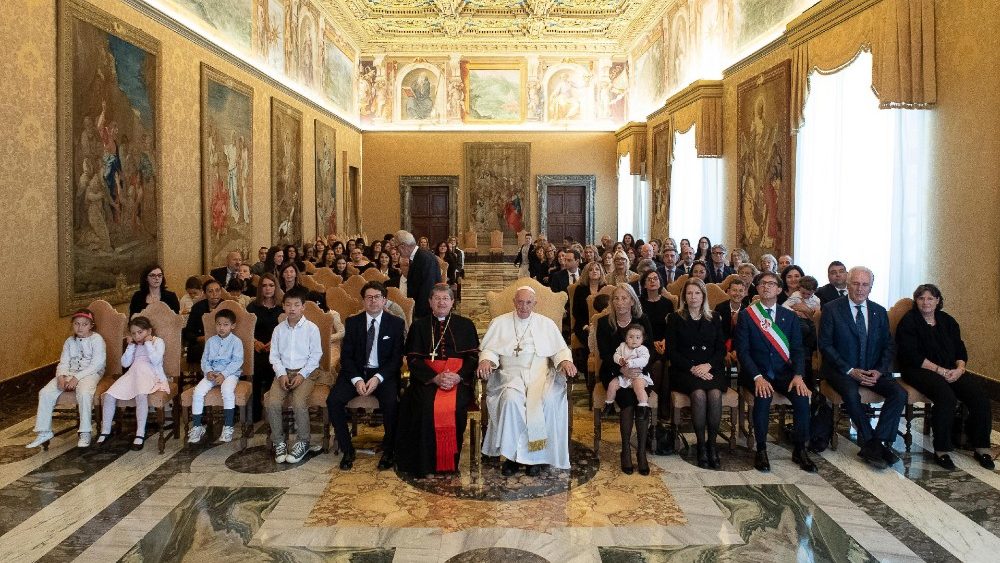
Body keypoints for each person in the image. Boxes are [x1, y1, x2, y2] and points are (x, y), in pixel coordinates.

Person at [477, 286, 577, 476]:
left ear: (535, 303)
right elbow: (489, 349)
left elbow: (560, 350)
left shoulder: (546, 324)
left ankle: (537, 458)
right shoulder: (499, 323)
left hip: (540, 374)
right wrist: (486, 360)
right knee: (510, 400)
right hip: (510, 375)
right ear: (514, 302)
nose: (524, 306)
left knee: (547, 400)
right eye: (520, 302)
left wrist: (565, 361)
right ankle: (512, 457)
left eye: (528, 302)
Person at [895, 284, 994, 469]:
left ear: (938, 300)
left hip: (950, 369)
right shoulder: (909, 321)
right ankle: (942, 450)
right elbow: (911, 355)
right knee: (946, 396)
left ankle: (982, 447)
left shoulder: (947, 321)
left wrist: (960, 369)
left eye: (930, 298)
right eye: (921, 298)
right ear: (916, 301)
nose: (926, 302)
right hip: (918, 370)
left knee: (979, 396)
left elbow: (960, 349)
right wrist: (939, 370)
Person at [819, 266, 906, 469]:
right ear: (848, 285)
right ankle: (871, 442)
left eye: (865, 284)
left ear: (871, 287)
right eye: (856, 283)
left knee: (899, 393)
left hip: (872, 370)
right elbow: (825, 345)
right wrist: (850, 370)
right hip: (841, 370)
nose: (860, 289)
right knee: (851, 394)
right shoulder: (832, 309)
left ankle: (878, 441)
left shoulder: (879, 311)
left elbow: (888, 345)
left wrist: (879, 370)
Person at [734, 272, 816, 473]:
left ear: (779, 289)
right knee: (763, 397)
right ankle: (761, 450)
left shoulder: (790, 316)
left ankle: (800, 449)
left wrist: (798, 375)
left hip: (784, 373)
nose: (766, 286)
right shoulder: (747, 315)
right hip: (756, 372)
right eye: (762, 283)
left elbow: (797, 349)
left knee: (802, 398)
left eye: (771, 284)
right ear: (757, 288)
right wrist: (757, 377)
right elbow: (743, 352)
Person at [396, 285, 480, 477]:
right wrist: (434, 377)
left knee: (455, 408)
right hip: (427, 379)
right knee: (424, 405)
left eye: (445, 298)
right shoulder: (419, 326)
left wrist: (458, 376)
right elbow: (413, 359)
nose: (441, 302)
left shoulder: (466, 325)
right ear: (430, 302)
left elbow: (473, 358)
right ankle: (426, 464)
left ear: (452, 302)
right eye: (437, 298)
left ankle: (448, 462)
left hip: (457, 380)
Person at [328, 281, 405, 470]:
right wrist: (357, 380)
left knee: (392, 403)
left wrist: (378, 378)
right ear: (363, 301)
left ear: (384, 300)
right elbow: (346, 357)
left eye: (377, 297)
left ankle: (389, 450)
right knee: (333, 401)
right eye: (369, 297)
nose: (373, 301)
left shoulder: (396, 323)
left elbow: (396, 359)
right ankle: (347, 449)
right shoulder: (353, 322)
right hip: (355, 372)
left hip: (383, 375)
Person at [665, 278, 727, 469]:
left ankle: (712, 445)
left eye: (697, 293)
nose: (693, 297)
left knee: (714, 394)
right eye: (689, 293)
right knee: (699, 394)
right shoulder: (675, 318)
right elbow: (671, 352)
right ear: (684, 296)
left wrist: (708, 365)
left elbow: (721, 349)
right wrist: (693, 368)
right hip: (684, 370)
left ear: (704, 296)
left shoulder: (714, 317)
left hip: (711, 368)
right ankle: (701, 445)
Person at [27, 309, 107, 449]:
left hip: (90, 373)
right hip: (69, 373)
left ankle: (85, 432)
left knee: (84, 393)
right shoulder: (69, 341)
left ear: (91, 325)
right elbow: (63, 362)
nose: (80, 327)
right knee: (45, 393)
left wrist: (76, 378)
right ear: (72, 325)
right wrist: (61, 377)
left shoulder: (97, 340)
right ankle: (44, 432)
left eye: (84, 324)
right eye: (76, 324)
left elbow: (97, 364)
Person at [597, 284, 654, 474]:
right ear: (612, 302)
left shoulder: (642, 320)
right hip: (613, 372)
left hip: (639, 373)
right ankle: (626, 451)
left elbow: (651, 350)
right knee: (627, 401)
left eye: (624, 298)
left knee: (639, 400)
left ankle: (641, 453)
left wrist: (636, 369)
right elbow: (605, 354)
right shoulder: (604, 323)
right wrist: (622, 370)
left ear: (632, 301)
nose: (620, 302)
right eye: (616, 298)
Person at [266, 287, 323, 464]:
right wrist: (281, 374)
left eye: (296, 305)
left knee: (299, 402)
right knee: (273, 403)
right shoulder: (278, 329)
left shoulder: (312, 329)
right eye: (288, 304)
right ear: (283, 306)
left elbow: (315, 356)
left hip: (306, 372)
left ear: (303, 307)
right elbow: (274, 356)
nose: (292, 308)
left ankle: (303, 441)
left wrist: (302, 374)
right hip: (283, 372)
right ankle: (279, 441)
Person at [97, 316, 168, 450]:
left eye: (140, 332)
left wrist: (148, 343)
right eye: (134, 333)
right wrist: (130, 346)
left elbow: (156, 361)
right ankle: (106, 430)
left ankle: (140, 432)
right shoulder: (134, 345)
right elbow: (125, 363)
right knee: (109, 395)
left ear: (149, 331)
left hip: (150, 374)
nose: (137, 336)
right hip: (132, 375)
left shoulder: (157, 341)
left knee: (141, 396)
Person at [187, 309, 243, 444]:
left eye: (225, 325)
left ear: (233, 326)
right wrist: (208, 371)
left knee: (227, 391)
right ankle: (197, 426)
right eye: (219, 324)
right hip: (212, 373)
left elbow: (237, 361)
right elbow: (204, 360)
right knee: (198, 392)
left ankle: (228, 426)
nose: (221, 328)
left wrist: (224, 374)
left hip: (229, 374)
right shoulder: (211, 341)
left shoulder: (236, 342)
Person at [247, 274, 282, 423]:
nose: (268, 289)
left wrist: (275, 343)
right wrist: (254, 342)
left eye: (271, 285)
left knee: (272, 366)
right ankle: (255, 411)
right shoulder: (252, 307)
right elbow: (246, 330)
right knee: (255, 367)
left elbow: (288, 330)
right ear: (260, 288)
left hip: (277, 348)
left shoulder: (282, 307)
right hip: (257, 347)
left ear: (276, 287)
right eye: (264, 285)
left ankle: (272, 411)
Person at [602, 323, 652, 414]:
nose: (634, 340)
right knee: (612, 385)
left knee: (639, 388)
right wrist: (619, 360)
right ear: (626, 338)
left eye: (638, 337)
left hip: (638, 376)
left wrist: (631, 363)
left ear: (642, 339)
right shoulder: (622, 346)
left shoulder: (643, 349)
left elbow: (644, 360)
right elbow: (615, 355)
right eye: (631, 337)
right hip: (624, 376)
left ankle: (643, 406)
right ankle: (609, 404)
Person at [393, 230, 442, 320]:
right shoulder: (418, 256)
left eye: (396, 247)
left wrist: (418, 315)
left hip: (425, 312)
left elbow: (428, 288)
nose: (397, 251)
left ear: (403, 246)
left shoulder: (424, 258)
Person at [183, 279, 224, 363]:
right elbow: (188, 332)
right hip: (201, 344)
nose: (214, 294)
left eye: (217, 290)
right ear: (205, 294)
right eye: (210, 291)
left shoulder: (226, 306)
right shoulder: (197, 307)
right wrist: (200, 338)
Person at [714, 278, 747, 362]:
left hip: (739, 346)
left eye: (741, 291)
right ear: (728, 291)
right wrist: (724, 351)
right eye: (734, 290)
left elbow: (745, 336)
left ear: (745, 293)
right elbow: (716, 332)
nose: (737, 294)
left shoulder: (747, 311)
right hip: (721, 345)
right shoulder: (719, 308)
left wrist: (737, 350)